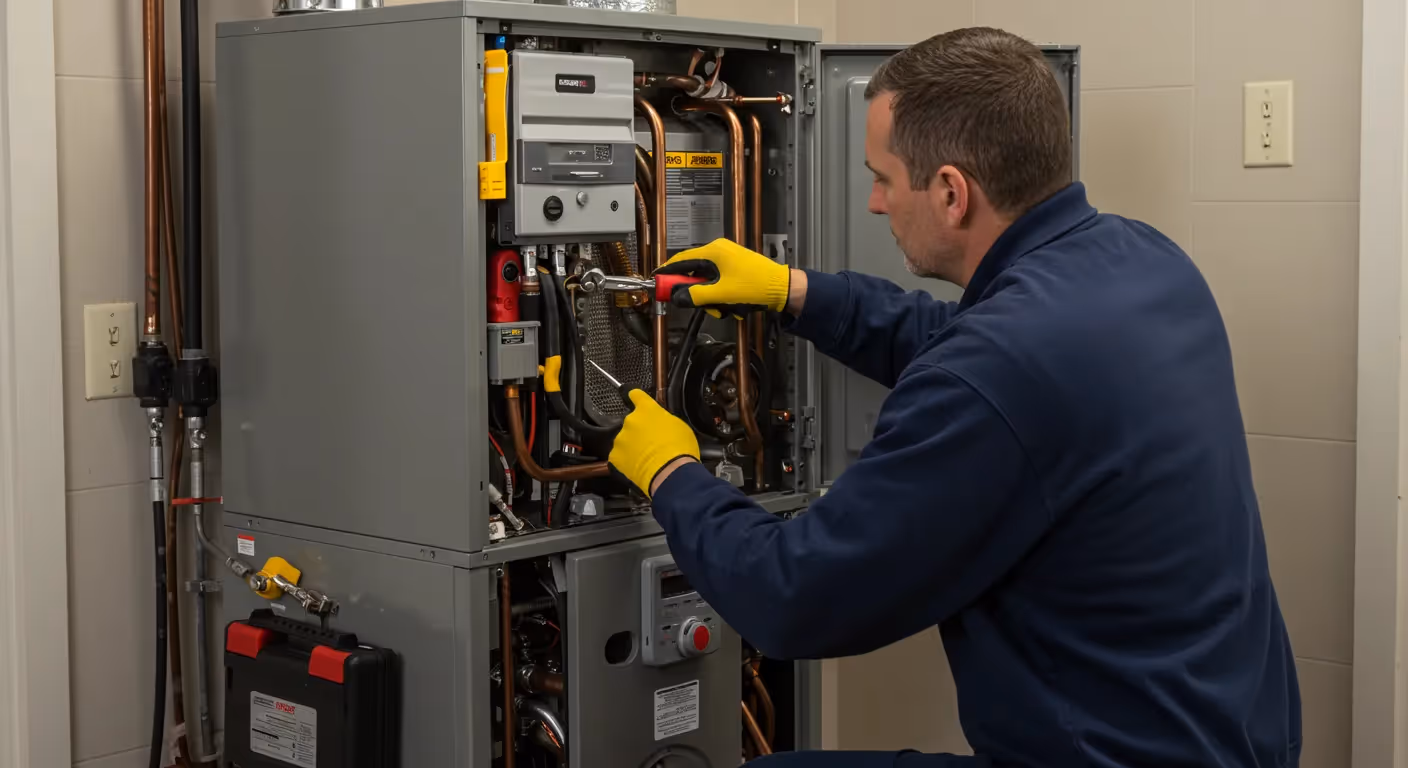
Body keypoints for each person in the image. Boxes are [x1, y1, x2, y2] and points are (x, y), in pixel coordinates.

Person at [607, 27, 1301, 768]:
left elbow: (790, 598)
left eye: (883, 178)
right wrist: (794, 292)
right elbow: (966, 342)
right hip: (1239, 741)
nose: (875, 203)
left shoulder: (996, 370)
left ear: (950, 192)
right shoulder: (1146, 261)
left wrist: (673, 474)